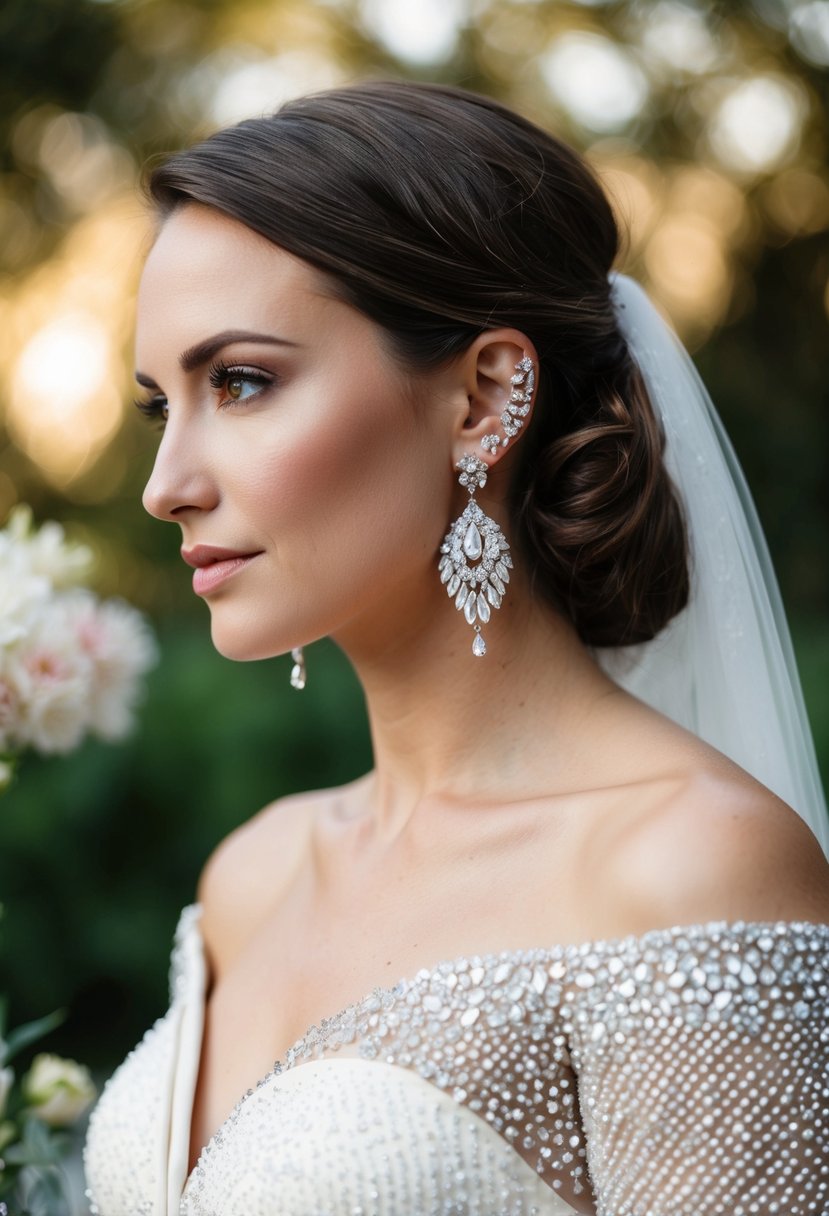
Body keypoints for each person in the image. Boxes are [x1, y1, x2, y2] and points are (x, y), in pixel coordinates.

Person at [84, 80, 829, 1216]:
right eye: (160, 406)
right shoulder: (253, 874)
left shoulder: (685, 869)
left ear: (485, 396)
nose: (164, 486)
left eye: (240, 382)